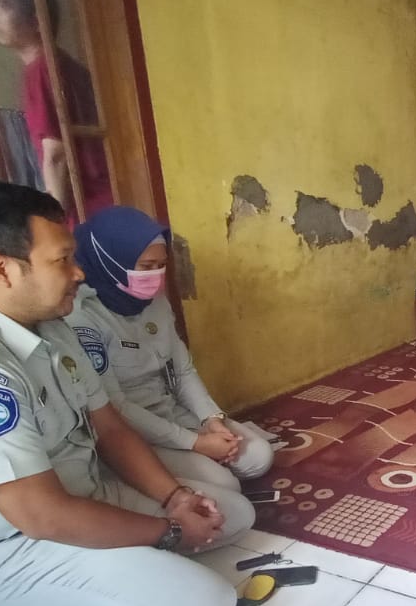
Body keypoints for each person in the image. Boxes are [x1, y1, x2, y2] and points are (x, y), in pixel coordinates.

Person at [0, 178, 253, 606]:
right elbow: (43, 515)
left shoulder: (50, 325)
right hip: (11, 546)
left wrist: (177, 498)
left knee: (232, 516)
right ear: (1, 269)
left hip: (84, 493)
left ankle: (135, 564)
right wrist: (171, 531)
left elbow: (110, 426)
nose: (78, 273)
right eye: (62, 260)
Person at [68, 206, 273, 484]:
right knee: (224, 482)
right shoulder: (83, 316)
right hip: (130, 431)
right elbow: (116, 408)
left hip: (172, 411)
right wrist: (194, 443)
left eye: (161, 265)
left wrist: (211, 420)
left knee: (259, 456)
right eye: (146, 267)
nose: (155, 275)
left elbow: (183, 370)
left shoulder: (155, 300)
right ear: (111, 261)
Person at [0, 0, 112, 221]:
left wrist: (53, 222)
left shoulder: (41, 71)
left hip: (87, 209)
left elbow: (57, 155)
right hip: (105, 202)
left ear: (36, 18)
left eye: (2, 4)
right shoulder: (64, 66)